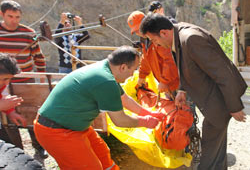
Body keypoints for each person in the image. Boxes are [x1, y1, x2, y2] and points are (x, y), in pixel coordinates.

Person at [140, 13, 247, 170]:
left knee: (211, 148)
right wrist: (182, 91)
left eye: (154, 40)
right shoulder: (176, 36)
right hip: (211, 100)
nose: (155, 45)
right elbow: (185, 67)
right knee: (215, 146)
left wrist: (234, 106)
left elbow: (222, 73)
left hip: (219, 99)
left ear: (163, 32)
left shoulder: (191, 39)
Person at [34, 46, 166, 170]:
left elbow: (124, 99)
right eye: (133, 70)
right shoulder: (105, 80)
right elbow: (120, 121)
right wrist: (145, 122)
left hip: (75, 127)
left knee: (103, 156)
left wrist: (149, 113)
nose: (132, 75)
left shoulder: (105, 70)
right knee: (90, 167)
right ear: (123, 67)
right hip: (56, 131)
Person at [0, 0, 47, 158]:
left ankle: (39, 146)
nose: (14, 20)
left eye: (17, 17)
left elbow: (39, 58)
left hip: (25, 81)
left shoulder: (28, 33)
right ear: (2, 14)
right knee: (7, 120)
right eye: (10, 16)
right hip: (2, 82)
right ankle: (17, 150)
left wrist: (41, 79)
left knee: (32, 113)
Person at [128, 11, 179, 98]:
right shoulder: (145, 40)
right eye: (135, 32)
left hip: (177, 83)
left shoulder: (158, 38)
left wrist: (164, 82)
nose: (138, 33)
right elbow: (146, 58)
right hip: (168, 86)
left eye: (138, 30)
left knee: (186, 109)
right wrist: (142, 76)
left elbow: (170, 60)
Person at [0, 53, 27, 143]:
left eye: (8, 79)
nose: (6, 83)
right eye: (3, 79)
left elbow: (3, 96)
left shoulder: (2, 85)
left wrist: (10, 111)